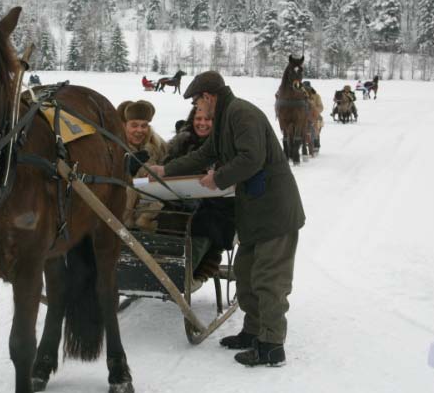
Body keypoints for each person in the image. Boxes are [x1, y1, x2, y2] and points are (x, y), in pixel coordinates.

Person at [149, 71, 305, 367]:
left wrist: (217, 179)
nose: (197, 109)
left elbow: (251, 158)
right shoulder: (225, 119)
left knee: (269, 279)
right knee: (246, 272)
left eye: (197, 102)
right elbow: (203, 155)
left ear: (208, 97)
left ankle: (271, 346)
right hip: (254, 212)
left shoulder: (241, 114)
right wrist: (165, 170)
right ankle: (252, 332)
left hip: (274, 211)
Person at [164, 105, 235, 283]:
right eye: (198, 119)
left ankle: (185, 270)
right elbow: (167, 168)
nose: (201, 123)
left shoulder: (227, 145)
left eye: (207, 119)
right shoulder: (180, 144)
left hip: (218, 204)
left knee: (204, 223)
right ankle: (156, 264)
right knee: (158, 215)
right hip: (180, 199)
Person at [118, 100, 168, 230]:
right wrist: (127, 170)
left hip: (152, 212)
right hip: (121, 217)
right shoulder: (114, 148)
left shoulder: (158, 147)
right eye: (134, 125)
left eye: (144, 125)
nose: (139, 130)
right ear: (124, 126)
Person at [302, 81, 323, 152]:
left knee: (319, 121)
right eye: (304, 88)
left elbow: (321, 107)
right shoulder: (299, 95)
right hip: (302, 115)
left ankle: (316, 140)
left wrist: (315, 111)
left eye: (307, 88)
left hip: (314, 115)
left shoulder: (316, 96)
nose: (305, 89)